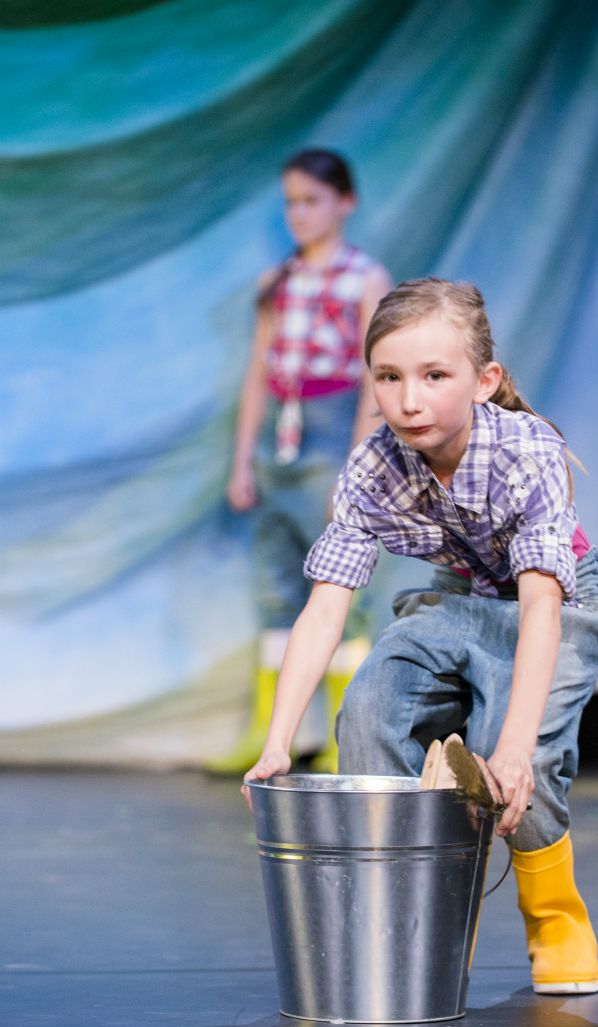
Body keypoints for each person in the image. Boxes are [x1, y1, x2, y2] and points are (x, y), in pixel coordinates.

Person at [243, 277, 598, 995]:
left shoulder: (526, 450)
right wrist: (278, 740)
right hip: (458, 600)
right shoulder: (372, 467)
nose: (408, 400)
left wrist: (510, 746)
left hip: (557, 605)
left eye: (434, 376)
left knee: (519, 760)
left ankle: (554, 917)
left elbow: (542, 606)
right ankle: (415, 919)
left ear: (485, 381)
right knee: (370, 708)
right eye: (388, 377)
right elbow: (324, 609)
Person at [209, 149, 391, 775]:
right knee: (276, 585)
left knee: (340, 589)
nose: (299, 214)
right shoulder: (278, 281)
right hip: (277, 446)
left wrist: (356, 465)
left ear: (346, 203)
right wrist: (242, 462)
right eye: (291, 202)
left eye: (312, 200)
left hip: (331, 433)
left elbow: (376, 375)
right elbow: (258, 374)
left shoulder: (365, 277)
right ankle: (269, 731)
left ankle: (349, 734)